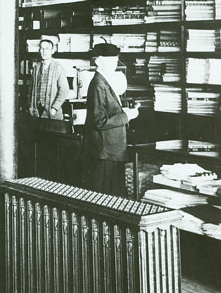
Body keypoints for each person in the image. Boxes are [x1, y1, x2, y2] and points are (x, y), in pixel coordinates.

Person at [82, 42, 139, 196]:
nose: (115, 63)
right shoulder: (98, 84)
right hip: (106, 151)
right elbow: (99, 120)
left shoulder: (104, 81)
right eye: (110, 60)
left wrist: (124, 111)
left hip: (111, 150)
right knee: (106, 195)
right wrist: (127, 116)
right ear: (98, 61)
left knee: (112, 195)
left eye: (115, 59)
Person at [28, 39, 69, 120]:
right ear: (39, 50)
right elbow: (30, 89)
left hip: (52, 114)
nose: (44, 51)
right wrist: (30, 106)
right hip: (36, 112)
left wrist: (54, 108)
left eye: (47, 49)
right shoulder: (36, 68)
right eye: (42, 48)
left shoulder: (58, 68)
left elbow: (64, 90)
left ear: (52, 51)